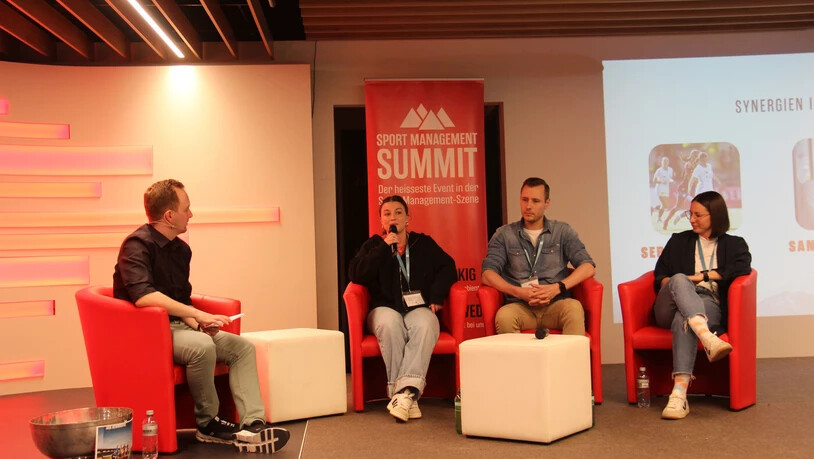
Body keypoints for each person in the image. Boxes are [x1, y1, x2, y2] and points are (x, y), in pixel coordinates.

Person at [113, 179, 289, 454]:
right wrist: (195, 313)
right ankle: (208, 425)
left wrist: (198, 322)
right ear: (169, 216)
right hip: (148, 332)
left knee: (241, 348)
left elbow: (180, 299)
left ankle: (252, 424)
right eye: (187, 208)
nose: (191, 214)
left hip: (178, 328)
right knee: (202, 347)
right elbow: (143, 297)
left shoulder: (181, 250)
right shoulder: (136, 245)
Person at [348, 195, 457, 422]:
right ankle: (408, 394)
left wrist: (437, 295)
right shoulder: (373, 245)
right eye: (387, 214)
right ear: (381, 220)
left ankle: (403, 395)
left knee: (427, 324)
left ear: (407, 218)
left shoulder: (423, 243)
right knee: (390, 325)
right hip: (383, 308)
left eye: (398, 212)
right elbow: (356, 274)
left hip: (417, 307)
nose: (393, 217)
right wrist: (382, 248)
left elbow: (448, 266)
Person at [652, 190, 751, 420]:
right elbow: (661, 276)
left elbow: (742, 267)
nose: (692, 219)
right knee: (678, 279)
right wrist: (684, 284)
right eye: (690, 213)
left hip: (709, 303)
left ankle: (679, 394)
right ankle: (707, 337)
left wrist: (701, 276)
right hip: (669, 304)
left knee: (684, 319)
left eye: (698, 215)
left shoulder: (734, 244)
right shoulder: (679, 240)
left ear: (714, 216)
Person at [481, 177, 596, 335]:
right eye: (524, 200)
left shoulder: (562, 231)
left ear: (546, 203)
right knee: (504, 316)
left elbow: (588, 267)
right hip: (520, 306)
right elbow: (487, 274)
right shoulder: (504, 234)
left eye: (535, 201)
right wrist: (517, 291)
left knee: (574, 308)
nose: (528, 206)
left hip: (556, 304)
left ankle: (570, 361)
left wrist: (557, 287)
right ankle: (518, 361)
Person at [662, 149, 700, 230]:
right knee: (678, 207)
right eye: (696, 156)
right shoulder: (688, 165)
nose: (697, 157)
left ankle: (683, 217)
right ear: (692, 156)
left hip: (692, 189)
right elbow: (691, 177)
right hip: (684, 188)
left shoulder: (696, 165)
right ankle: (666, 221)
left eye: (697, 156)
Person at [652, 156, 675, 223]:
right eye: (664, 161)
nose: (665, 162)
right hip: (660, 188)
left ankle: (655, 211)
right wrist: (662, 182)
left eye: (666, 161)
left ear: (668, 162)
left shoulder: (670, 169)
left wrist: (672, 181)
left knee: (665, 206)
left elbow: (670, 178)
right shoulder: (659, 170)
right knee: (664, 204)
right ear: (661, 162)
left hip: (666, 189)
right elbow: (654, 180)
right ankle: (658, 216)